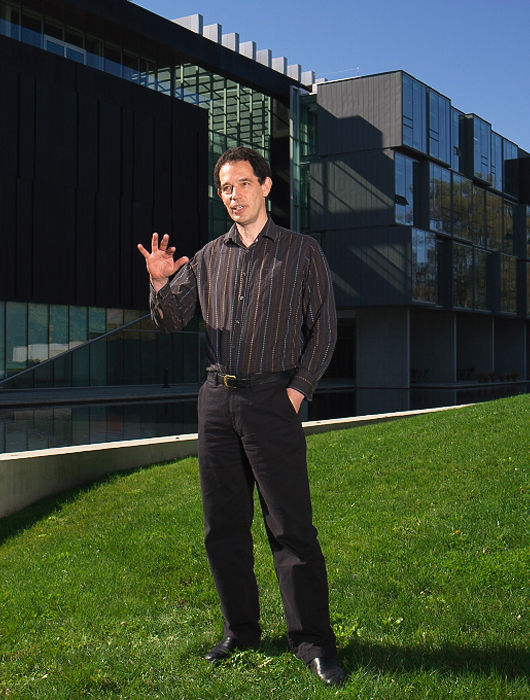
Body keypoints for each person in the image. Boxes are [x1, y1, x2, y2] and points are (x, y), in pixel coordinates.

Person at [137, 147, 346, 687]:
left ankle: (313, 642)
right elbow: (169, 319)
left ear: (267, 187)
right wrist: (160, 283)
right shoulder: (207, 257)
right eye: (226, 188)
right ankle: (241, 630)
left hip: (274, 402)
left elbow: (323, 329)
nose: (234, 195)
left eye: (243, 184)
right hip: (217, 402)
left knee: (290, 527)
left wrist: (297, 393)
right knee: (222, 526)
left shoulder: (302, 252)